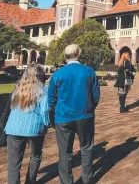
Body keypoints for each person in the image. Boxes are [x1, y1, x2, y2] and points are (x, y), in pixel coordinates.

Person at [48, 44, 100, 184]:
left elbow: (51, 98)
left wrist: (53, 115)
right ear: (79, 53)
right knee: (86, 147)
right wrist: (89, 108)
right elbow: (95, 95)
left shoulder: (58, 74)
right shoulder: (88, 71)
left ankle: (66, 181)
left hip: (63, 116)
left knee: (65, 152)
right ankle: (87, 178)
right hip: (85, 115)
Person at [5, 64, 49, 184]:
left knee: (13, 163)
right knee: (36, 156)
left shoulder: (17, 88)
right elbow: (45, 110)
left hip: (13, 128)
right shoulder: (44, 89)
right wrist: (47, 124)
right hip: (34, 128)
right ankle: (30, 181)